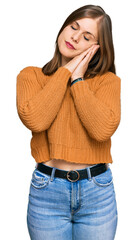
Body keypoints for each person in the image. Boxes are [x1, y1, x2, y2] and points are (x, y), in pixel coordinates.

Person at [16, 4, 121, 240]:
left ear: (96, 48)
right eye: (73, 27)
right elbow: (36, 120)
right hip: (47, 193)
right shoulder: (31, 75)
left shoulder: (108, 82)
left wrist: (77, 80)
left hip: (97, 193)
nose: (74, 37)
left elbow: (102, 130)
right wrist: (65, 72)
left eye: (87, 37)